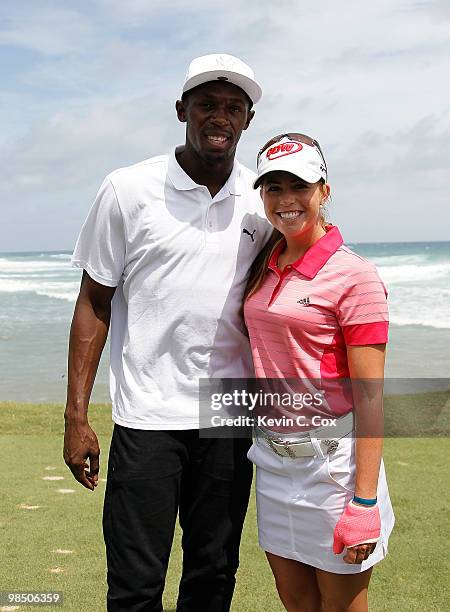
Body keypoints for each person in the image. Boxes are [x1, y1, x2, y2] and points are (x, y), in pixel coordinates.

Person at [63, 53, 271, 612]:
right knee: (134, 585)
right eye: (207, 105)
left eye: (234, 107)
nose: (220, 117)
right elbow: (93, 301)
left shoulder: (263, 200)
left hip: (230, 414)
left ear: (249, 120)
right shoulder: (128, 189)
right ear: (182, 109)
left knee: (213, 575)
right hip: (147, 417)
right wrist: (76, 417)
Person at [243, 133, 395, 612]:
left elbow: (370, 396)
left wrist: (365, 502)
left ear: (323, 191)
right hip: (271, 463)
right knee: (296, 603)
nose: (287, 200)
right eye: (274, 188)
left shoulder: (356, 276)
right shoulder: (262, 265)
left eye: (299, 186)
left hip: (333, 471)